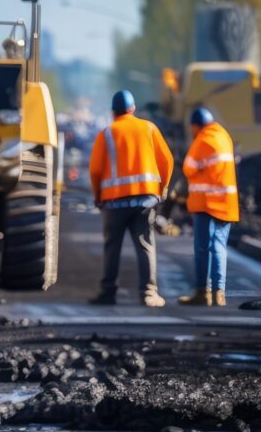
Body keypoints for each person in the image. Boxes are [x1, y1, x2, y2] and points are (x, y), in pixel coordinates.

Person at [88, 89, 175, 307]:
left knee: (112, 247)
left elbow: (96, 170)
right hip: (144, 202)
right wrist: (162, 188)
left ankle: (108, 293)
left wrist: (98, 196)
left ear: (113, 112)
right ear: (133, 109)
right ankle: (148, 294)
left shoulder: (106, 134)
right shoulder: (149, 128)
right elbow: (167, 161)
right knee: (145, 245)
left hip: (114, 203)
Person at [178, 106, 239, 307]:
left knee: (202, 248)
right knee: (219, 247)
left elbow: (189, 167)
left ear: (196, 126)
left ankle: (201, 293)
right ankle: (219, 294)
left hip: (205, 203)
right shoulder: (224, 137)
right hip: (226, 202)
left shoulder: (203, 140)